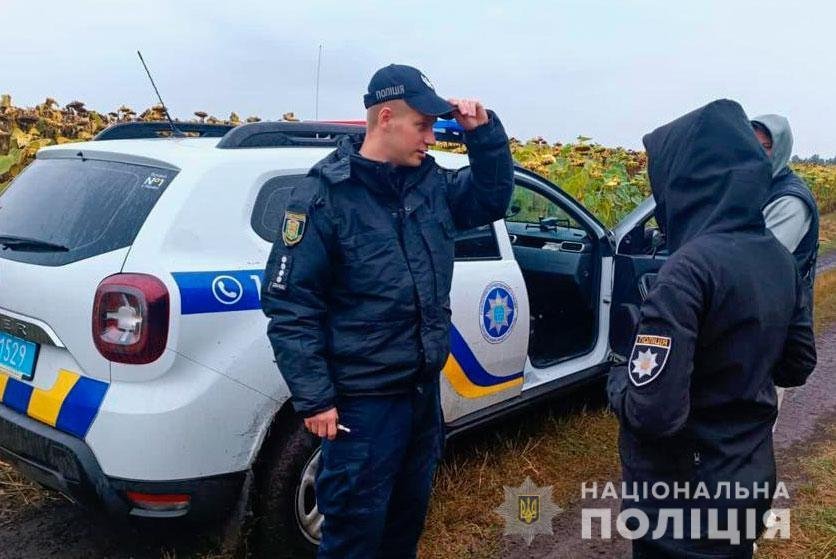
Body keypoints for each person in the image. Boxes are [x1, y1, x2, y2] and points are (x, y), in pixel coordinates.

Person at [260, 64, 513, 558]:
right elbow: (291, 304)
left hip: (420, 395)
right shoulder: (324, 197)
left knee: (404, 526)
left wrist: (484, 136)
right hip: (363, 405)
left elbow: (491, 199)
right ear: (386, 119)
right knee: (354, 536)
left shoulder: (430, 186)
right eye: (422, 126)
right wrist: (315, 399)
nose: (430, 137)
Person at [607, 99, 817, 558]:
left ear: (687, 179)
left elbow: (654, 415)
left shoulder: (686, 271)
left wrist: (620, 378)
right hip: (748, 476)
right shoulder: (778, 259)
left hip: (680, 496)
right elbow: (798, 363)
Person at [751, 115, 820, 410]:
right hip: (749, 320)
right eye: (751, 144)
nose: (757, 153)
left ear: (780, 150)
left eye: (766, 147)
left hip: (772, 323)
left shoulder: (790, 201)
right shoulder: (753, 185)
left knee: (758, 412)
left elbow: (756, 264)